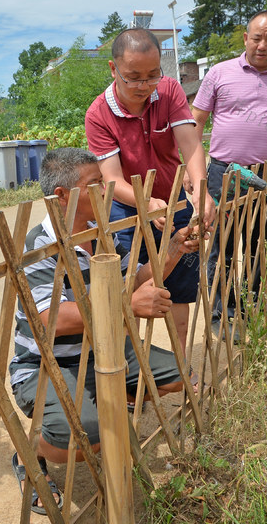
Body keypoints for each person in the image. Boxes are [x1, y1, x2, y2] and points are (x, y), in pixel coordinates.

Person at [9, 148, 194, 515]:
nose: (107, 190)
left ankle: (109, 404)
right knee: (79, 442)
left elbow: (133, 279)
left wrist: (172, 251)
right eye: (95, 184)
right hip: (48, 367)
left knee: (181, 376)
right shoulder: (40, 245)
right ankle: (29, 452)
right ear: (63, 196)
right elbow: (53, 320)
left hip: (104, 353)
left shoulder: (103, 232)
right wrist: (126, 307)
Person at [84, 27, 212, 352]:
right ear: (114, 70)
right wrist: (146, 203)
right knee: (133, 287)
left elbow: (190, 145)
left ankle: (181, 363)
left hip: (174, 202)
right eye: (133, 77)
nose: (144, 85)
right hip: (126, 210)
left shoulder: (169, 91)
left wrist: (201, 189)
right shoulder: (98, 114)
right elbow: (111, 178)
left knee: (180, 287)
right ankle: (134, 371)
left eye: (152, 75)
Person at [190, 10, 267, 338]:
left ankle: (248, 307)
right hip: (225, 172)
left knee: (258, 244)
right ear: (245, 39)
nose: (261, 45)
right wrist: (190, 168)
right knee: (222, 246)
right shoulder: (219, 73)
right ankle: (220, 316)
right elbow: (196, 120)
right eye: (256, 38)